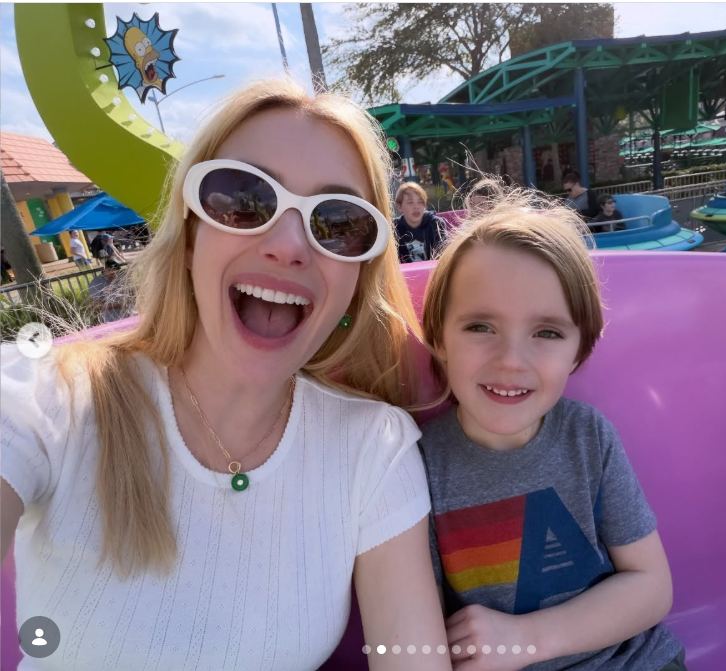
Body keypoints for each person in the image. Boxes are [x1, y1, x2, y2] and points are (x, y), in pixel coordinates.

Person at [1, 79, 450, 670]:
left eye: (338, 222)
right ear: (190, 235)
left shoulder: (375, 448)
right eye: (244, 199)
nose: (289, 246)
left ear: (357, 280)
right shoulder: (47, 397)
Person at [418, 180, 686, 670]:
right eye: (481, 326)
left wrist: (527, 639)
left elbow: (652, 587)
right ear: (437, 337)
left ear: (578, 352)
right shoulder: (418, 467)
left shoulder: (588, 438)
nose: (511, 361)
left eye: (546, 333)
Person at [393, 181, 447, 263]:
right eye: (410, 203)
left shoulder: (436, 224)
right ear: (399, 206)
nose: (416, 207)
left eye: (420, 202)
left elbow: (444, 257)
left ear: (425, 205)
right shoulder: (394, 227)